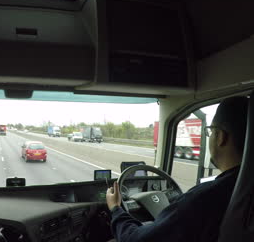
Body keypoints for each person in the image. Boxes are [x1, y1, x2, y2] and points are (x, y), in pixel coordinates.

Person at [106, 97, 248, 242]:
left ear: (220, 137)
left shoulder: (203, 199)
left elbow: (135, 239)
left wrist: (116, 209)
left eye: (211, 132)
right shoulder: (241, 190)